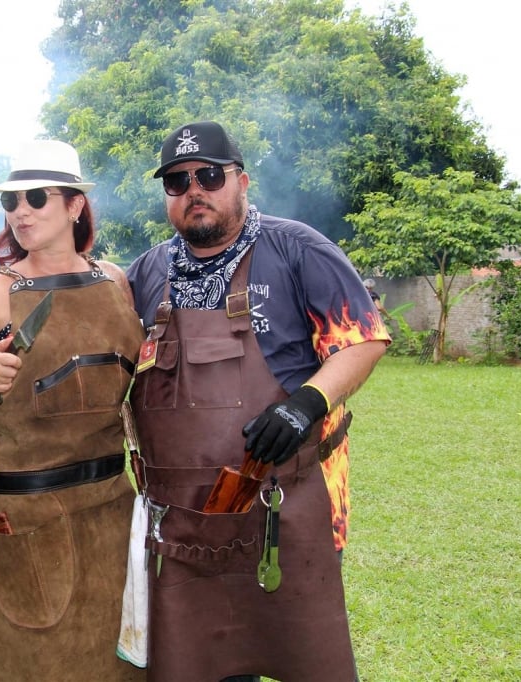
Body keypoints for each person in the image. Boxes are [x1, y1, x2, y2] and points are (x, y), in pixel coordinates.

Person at [125, 121, 391, 681]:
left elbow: (364, 338)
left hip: (290, 507)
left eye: (209, 175)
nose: (193, 189)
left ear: (241, 180)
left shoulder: (296, 247)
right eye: (177, 181)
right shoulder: (147, 272)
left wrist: (306, 404)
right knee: (206, 665)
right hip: (185, 521)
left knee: (302, 656)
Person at [0, 140, 146, 681]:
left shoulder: (115, 281)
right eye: (11, 201)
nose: (20, 212)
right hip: (31, 520)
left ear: (74, 205)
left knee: (123, 666)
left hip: (112, 510)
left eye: (36, 198)